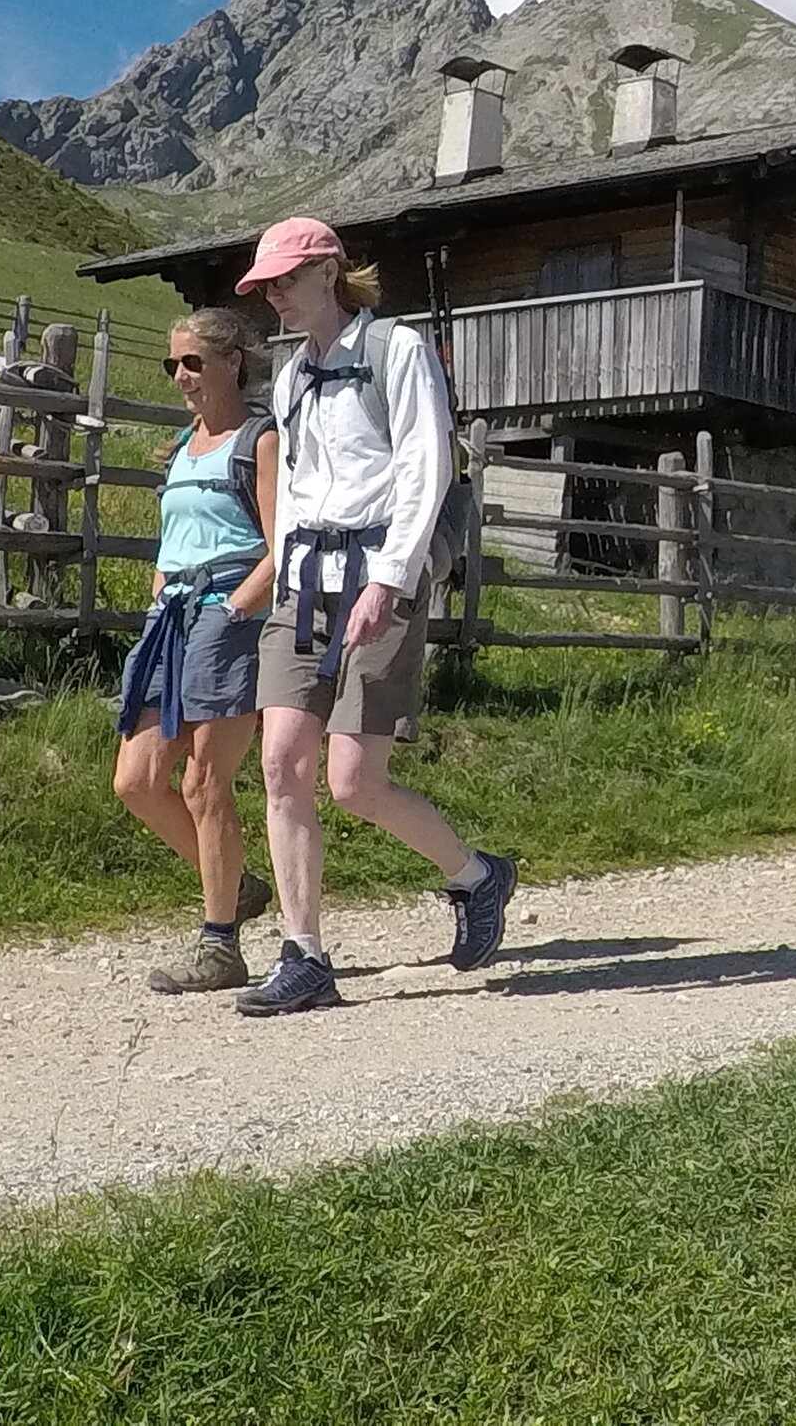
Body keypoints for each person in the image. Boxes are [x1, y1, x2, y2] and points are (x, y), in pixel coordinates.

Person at [232, 217, 516, 1017]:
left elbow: (428, 466)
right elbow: (295, 488)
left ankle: (477, 876)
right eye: (266, 287)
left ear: (328, 270)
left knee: (353, 780)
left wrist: (389, 581)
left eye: (285, 280)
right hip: (305, 583)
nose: (275, 296)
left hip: (379, 576)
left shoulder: (396, 352)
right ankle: (305, 954)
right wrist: (283, 581)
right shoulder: (292, 378)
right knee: (282, 763)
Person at [111, 308, 281, 993]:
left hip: (229, 618)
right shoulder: (183, 446)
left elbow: (283, 541)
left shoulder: (259, 440)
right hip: (172, 622)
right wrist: (159, 596)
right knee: (136, 779)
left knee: (203, 782)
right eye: (172, 364)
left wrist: (239, 608)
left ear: (233, 360)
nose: (181, 376)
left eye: (192, 362)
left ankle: (220, 946)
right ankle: (234, 885)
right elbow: (170, 541)